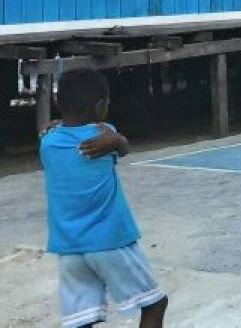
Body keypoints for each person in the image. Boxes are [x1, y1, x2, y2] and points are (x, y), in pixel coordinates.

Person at [41, 68, 168, 328]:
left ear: (58, 103)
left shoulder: (47, 143)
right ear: (101, 105)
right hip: (110, 241)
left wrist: (54, 128)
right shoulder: (105, 134)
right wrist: (118, 139)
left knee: (82, 320)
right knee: (154, 304)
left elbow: (56, 136)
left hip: (69, 249)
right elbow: (123, 150)